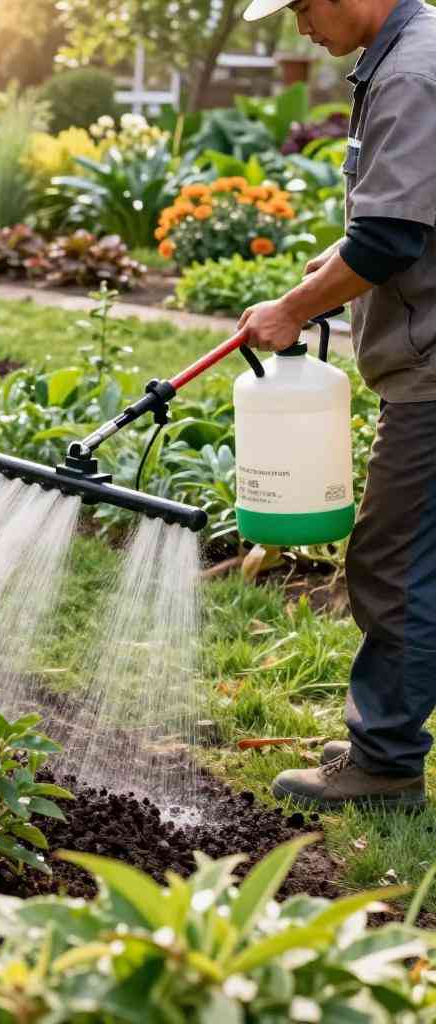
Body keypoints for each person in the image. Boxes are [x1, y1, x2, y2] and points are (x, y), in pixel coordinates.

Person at [238, 0, 436, 810]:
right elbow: (397, 217)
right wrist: (338, 261)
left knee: (390, 561)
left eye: (303, 6)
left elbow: (390, 237)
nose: (300, 27)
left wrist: (291, 307)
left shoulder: (412, 72)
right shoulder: (403, 56)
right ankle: (384, 730)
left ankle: (384, 762)